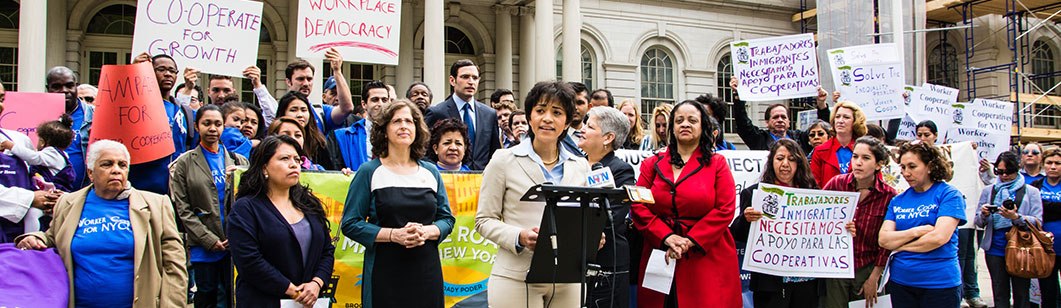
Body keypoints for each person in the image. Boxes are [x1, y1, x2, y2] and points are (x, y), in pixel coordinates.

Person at [15, 140, 187, 307]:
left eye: (122, 165)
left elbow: (175, 268)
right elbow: (53, 236)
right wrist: (35, 238)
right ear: (90, 172)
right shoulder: (67, 204)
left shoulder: (157, 205)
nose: (116, 170)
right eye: (107, 164)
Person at [475, 81, 592, 307]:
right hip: (516, 276)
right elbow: (483, 221)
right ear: (529, 117)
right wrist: (518, 236)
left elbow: (584, 217)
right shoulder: (503, 160)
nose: (547, 118)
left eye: (556, 112)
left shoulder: (580, 165)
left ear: (567, 122)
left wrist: (592, 237)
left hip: (569, 279)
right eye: (540, 111)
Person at [341, 100, 455, 307]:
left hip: (426, 271)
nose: (404, 126)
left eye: (409, 121)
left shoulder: (431, 172)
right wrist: (395, 235)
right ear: (384, 130)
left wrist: (427, 232)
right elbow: (351, 223)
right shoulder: (369, 172)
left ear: (417, 129)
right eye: (397, 121)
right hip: (384, 272)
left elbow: (447, 219)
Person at [632, 100, 741, 307]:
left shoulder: (717, 164)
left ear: (703, 127)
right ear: (672, 127)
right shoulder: (651, 164)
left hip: (705, 255)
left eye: (692, 120)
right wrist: (666, 237)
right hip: (660, 252)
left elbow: (725, 209)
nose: (685, 124)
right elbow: (638, 205)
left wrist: (688, 241)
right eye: (679, 120)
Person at [227, 135, 336, 308]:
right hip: (263, 301)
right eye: (285, 158)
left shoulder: (309, 203)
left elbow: (327, 251)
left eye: (297, 159)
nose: (294, 164)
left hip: (309, 301)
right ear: (264, 168)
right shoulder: (245, 208)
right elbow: (249, 261)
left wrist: (316, 283)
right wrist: (292, 290)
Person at [170, 104, 248, 308]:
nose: (212, 128)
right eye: (207, 123)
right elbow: (183, 208)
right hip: (203, 245)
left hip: (233, 243)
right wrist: (208, 239)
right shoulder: (184, 163)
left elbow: (250, 202)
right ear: (197, 126)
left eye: (217, 124)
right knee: (207, 295)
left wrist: (239, 178)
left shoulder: (238, 161)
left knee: (231, 296)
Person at [731, 138, 820, 307]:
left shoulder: (813, 195)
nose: (785, 164)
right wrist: (746, 219)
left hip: (806, 282)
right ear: (772, 162)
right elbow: (738, 235)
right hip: (770, 284)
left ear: (799, 163)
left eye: (791, 159)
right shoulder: (754, 194)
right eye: (780, 158)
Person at [878, 141, 966, 307]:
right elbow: (883, 240)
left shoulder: (949, 195)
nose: (906, 173)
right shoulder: (898, 200)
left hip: (940, 284)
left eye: (912, 166)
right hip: (901, 282)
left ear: (930, 166)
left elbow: (938, 238)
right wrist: (917, 231)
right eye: (903, 167)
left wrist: (900, 246)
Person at [820, 136, 898, 308]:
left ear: (879, 164)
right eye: (855, 157)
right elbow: (817, 216)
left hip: (867, 268)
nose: (858, 162)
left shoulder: (889, 196)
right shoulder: (837, 184)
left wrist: (875, 277)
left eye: (866, 158)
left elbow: (887, 244)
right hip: (836, 268)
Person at [577, 106, 636, 308]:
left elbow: (612, 215)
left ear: (608, 138)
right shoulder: (573, 165)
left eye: (590, 126)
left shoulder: (622, 171)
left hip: (607, 264)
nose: (582, 129)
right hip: (573, 261)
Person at [976, 151, 1042, 308]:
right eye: (999, 172)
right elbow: (978, 221)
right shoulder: (989, 191)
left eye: (1009, 172)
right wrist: (984, 214)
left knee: (1021, 292)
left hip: (1021, 247)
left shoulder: (1031, 191)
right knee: (999, 291)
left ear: (1017, 169)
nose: (1004, 175)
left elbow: (1038, 222)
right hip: (994, 247)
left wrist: (1016, 217)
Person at [128, 53, 198, 195]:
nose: (168, 74)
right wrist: (134, 72)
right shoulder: (137, 106)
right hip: (140, 190)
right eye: (161, 69)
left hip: (173, 191)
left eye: (172, 71)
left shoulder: (183, 112)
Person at [0, 94, 61, 241]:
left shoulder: (19, 140)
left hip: (19, 237)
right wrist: (31, 198)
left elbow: (36, 176)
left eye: (1, 99)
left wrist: (49, 196)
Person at [253, 50, 355, 136]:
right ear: (288, 81)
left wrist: (337, 71)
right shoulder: (278, 110)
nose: (306, 83)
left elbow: (346, 108)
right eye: (300, 79)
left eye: (309, 79)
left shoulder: (320, 111)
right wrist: (257, 85)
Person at [425, 59, 502, 170]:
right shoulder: (437, 112)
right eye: (465, 77)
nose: (471, 82)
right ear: (452, 80)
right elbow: (425, 152)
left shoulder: (489, 114)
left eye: (474, 78)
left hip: (482, 180)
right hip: (448, 180)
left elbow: (495, 153)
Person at [730, 76, 833, 154]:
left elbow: (823, 126)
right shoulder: (759, 139)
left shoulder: (800, 138)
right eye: (775, 117)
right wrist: (738, 96)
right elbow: (742, 124)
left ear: (788, 121)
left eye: (783, 117)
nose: (780, 120)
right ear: (767, 122)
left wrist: (821, 104)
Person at [327, 80, 391, 172]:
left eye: (384, 100)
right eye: (375, 99)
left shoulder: (399, 134)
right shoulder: (342, 137)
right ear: (364, 104)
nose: (380, 104)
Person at [0, 118, 76, 193]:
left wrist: (12, 146)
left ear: (42, 142)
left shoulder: (52, 153)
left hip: (54, 193)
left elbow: (33, 157)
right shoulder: (56, 155)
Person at [49, 66, 93, 189]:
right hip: (45, 193)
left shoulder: (95, 115)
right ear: (48, 89)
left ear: (76, 87)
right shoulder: (37, 115)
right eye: (57, 87)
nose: (64, 90)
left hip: (83, 193)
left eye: (69, 85)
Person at [810, 101, 868, 188]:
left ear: (855, 121)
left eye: (846, 117)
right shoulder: (820, 151)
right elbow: (814, 185)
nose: (840, 121)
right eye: (837, 117)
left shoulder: (866, 150)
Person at [1033, 148, 1061, 307]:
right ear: (1043, 165)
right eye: (1049, 163)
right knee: (1048, 293)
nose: (1053, 166)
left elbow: (1043, 209)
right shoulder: (1036, 186)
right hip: (1044, 249)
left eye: (1058, 163)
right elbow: (1036, 212)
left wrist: (1046, 208)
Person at [277, 91, 332, 170]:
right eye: (293, 110)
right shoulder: (272, 141)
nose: (300, 115)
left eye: (303, 110)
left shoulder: (319, 143)